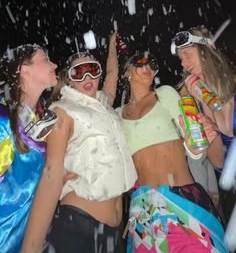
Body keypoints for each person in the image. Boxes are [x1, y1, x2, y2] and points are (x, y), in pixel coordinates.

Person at [22, 34, 137, 253]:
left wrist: (111, 43)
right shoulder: (63, 110)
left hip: (115, 231)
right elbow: (51, 174)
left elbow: (112, 75)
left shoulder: (103, 104)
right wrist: (31, 247)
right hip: (80, 226)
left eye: (92, 70)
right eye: (78, 72)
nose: (86, 77)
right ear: (70, 78)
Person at [116, 52, 228, 253]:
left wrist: (195, 148)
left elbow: (192, 141)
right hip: (143, 211)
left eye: (152, 63)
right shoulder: (116, 115)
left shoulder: (165, 94)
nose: (148, 66)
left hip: (181, 200)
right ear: (127, 72)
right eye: (140, 63)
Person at [171, 26, 236, 222]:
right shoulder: (188, 98)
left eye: (188, 55)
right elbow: (217, 162)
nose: (183, 63)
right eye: (180, 58)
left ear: (207, 50)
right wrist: (206, 114)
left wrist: (210, 99)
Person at [0, 44, 58, 253]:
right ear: (24, 69)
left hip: (28, 239)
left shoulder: (40, 119)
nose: (54, 64)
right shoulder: (3, 120)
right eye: (46, 60)